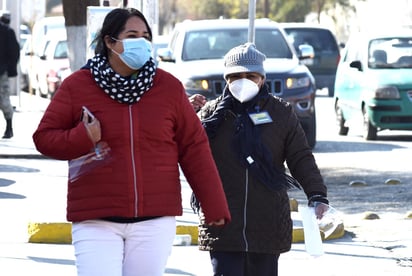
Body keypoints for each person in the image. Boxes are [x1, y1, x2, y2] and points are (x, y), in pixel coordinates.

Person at [32, 8, 231, 276]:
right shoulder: (77, 86)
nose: (141, 41)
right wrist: (82, 137)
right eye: (132, 35)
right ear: (110, 42)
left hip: (154, 221)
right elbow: (44, 138)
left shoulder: (168, 88)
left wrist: (214, 204)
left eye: (145, 35)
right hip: (95, 219)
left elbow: (194, 149)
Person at [195, 43, 329, 276]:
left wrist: (316, 194)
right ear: (226, 79)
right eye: (235, 76)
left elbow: (300, 157)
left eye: (251, 76)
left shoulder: (281, 113)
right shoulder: (209, 115)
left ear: (262, 78)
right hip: (222, 224)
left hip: (266, 223)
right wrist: (188, 117)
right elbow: (185, 153)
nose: (243, 81)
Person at [0, 11, 20, 139]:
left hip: (1, 72)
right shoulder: (7, 32)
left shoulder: (6, 32)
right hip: (3, 70)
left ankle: (9, 127)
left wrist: (9, 68)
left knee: (4, 100)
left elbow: (14, 51)